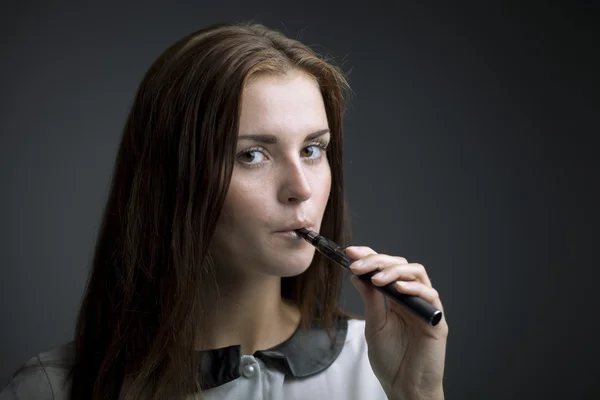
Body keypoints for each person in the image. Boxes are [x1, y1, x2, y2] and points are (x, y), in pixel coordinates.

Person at [0, 21, 448, 400]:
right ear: (171, 178)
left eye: (313, 149)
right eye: (251, 155)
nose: (301, 188)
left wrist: (420, 393)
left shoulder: (374, 372)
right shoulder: (53, 388)